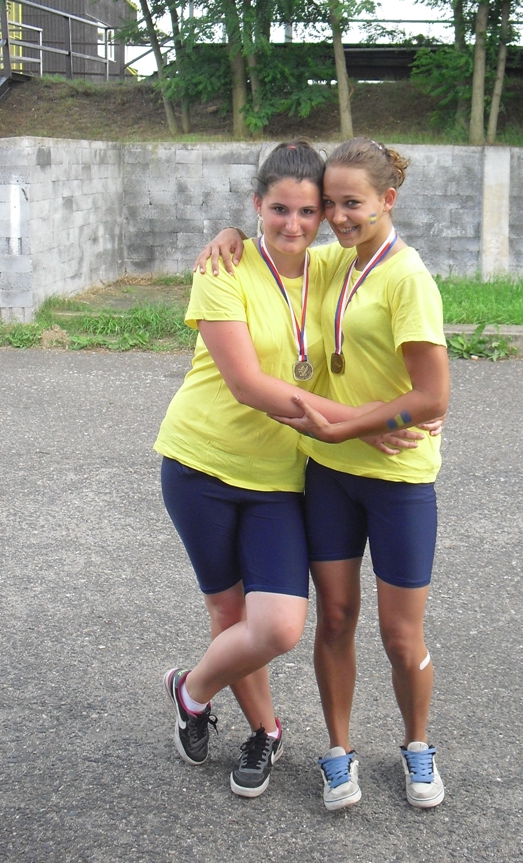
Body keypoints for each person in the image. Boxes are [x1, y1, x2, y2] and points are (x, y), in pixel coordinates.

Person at [155, 140, 426, 800]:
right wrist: (364, 419)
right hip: (201, 463)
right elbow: (247, 384)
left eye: (310, 211)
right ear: (257, 204)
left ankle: (190, 690)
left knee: (277, 625)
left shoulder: (332, 266)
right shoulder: (223, 268)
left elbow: (384, 249)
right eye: (280, 209)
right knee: (229, 612)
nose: (295, 224)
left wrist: (415, 405)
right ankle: (265, 731)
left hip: (280, 476)